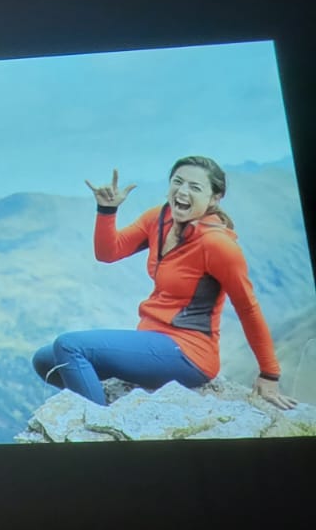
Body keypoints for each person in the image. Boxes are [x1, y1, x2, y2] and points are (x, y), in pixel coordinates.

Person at [31, 157, 293, 410]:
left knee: (70, 345)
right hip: (152, 339)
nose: (182, 191)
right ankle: (107, 403)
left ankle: (100, 434)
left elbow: (248, 308)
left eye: (195, 187)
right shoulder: (159, 218)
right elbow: (108, 252)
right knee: (45, 359)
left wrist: (270, 374)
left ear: (215, 198)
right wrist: (107, 210)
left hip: (188, 354)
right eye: (177, 181)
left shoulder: (218, 245)